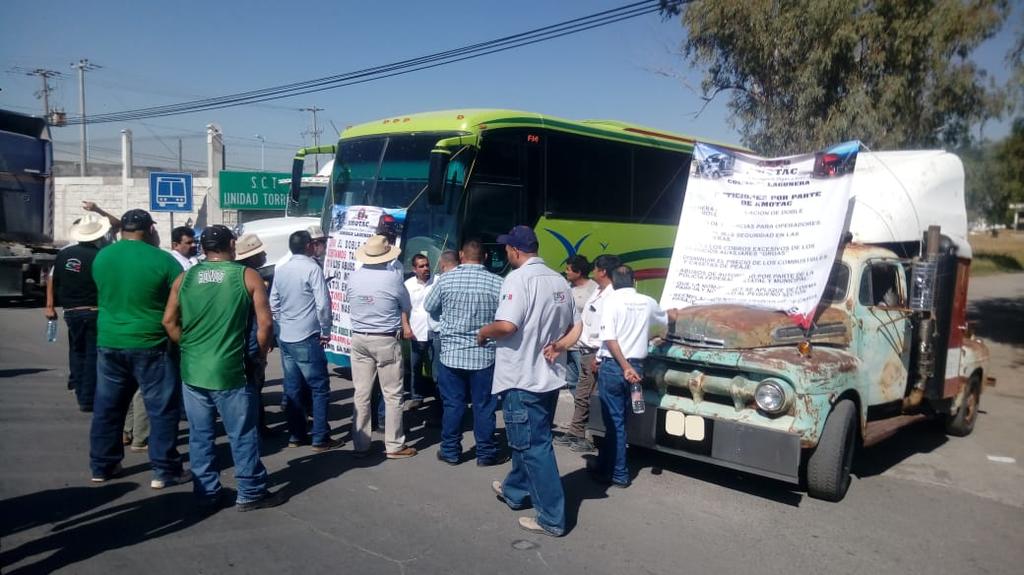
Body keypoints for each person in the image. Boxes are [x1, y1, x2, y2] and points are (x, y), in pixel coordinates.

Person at [162, 225, 284, 511]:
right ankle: (250, 491)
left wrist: (188, 346)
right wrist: (260, 355)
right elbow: (265, 323)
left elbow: (168, 321)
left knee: (200, 435)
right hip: (231, 368)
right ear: (231, 244)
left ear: (203, 247)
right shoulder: (246, 275)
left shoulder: (185, 277)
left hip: (193, 369)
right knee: (242, 434)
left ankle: (206, 491)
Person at [477, 225, 578, 537]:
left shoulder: (518, 279)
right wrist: (558, 345)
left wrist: (484, 332)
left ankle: (552, 518)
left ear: (516, 251)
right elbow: (575, 326)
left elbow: (507, 325)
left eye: (507, 248)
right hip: (549, 376)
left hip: (522, 376)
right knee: (527, 438)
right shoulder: (559, 280)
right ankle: (516, 490)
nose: (506, 252)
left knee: (534, 445)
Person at [88, 209, 189, 489]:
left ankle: (103, 466)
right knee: (161, 409)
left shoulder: (103, 256)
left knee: (108, 407)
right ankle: (165, 470)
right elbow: (181, 300)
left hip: (110, 340)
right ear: (149, 230)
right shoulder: (163, 260)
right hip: (151, 342)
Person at [424, 240, 505, 466]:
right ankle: (486, 453)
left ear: (461, 255)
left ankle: (450, 451)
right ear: (485, 257)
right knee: (484, 406)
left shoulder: (446, 280)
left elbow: (429, 306)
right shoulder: (498, 282)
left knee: (453, 404)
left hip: (451, 353)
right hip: (484, 355)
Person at [588, 265, 668, 488]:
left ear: (613, 282)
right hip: (637, 367)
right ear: (634, 281)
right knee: (621, 419)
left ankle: (618, 473)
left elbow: (610, 338)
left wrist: (624, 366)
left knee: (614, 422)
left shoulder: (611, 302)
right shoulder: (647, 302)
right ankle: (606, 466)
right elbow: (665, 322)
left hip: (616, 367)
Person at [269, 230, 342, 452]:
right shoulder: (312, 268)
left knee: (293, 387)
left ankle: (296, 435)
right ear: (309, 245)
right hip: (307, 335)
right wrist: (326, 330)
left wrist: (284, 321)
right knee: (319, 388)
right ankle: (320, 437)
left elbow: (273, 302)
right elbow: (323, 304)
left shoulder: (282, 269)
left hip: (286, 335)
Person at [347, 235, 416, 459]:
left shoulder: (354, 277)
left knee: (361, 393)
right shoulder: (392, 279)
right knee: (393, 394)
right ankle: (394, 444)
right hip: (385, 338)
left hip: (359, 337)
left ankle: (361, 443)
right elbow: (406, 305)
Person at [45, 214, 110, 412]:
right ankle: (87, 397)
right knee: (92, 354)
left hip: (71, 311)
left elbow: (54, 280)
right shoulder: (100, 255)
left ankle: (78, 387)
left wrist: (50, 305)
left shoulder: (64, 254)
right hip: (93, 310)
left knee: (77, 350)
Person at [555, 254, 620, 453]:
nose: (593, 272)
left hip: (595, 353)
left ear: (603, 272)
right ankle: (576, 432)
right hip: (583, 349)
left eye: (596, 269)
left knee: (590, 396)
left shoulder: (611, 295)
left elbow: (607, 329)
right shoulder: (599, 291)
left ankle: (590, 436)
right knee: (582, 394)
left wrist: (599, 356)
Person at [236, 233, 272, 435]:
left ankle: (258, 424)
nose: (265, 255)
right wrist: (263, 347)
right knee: (253, 385)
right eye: (261, 252)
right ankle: (255, 426)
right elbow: (263, 320)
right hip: (251, 339)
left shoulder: (241, 275)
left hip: (243, 338)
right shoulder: (251, 278)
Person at [563, 255, 597, 396]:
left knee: (586, 385)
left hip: (582, 347)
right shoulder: (566, 288)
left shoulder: (594, 289)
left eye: (569, 269)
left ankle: (588, 409)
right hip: (567, 345)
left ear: (578, 272)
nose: (566, 272)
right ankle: (578, 407)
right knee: (572, 382)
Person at [404, 254, 433, 408]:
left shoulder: (437, 281)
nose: (426, 268)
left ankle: (439, 399)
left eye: (427, 265)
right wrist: (406, 327)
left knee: (436, 368)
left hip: (435, 332)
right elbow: (403, 308)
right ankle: (416, 396)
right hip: (416, 332)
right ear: (414, 269)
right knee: (415, 366)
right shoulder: (408, 285)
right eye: (421, 266)